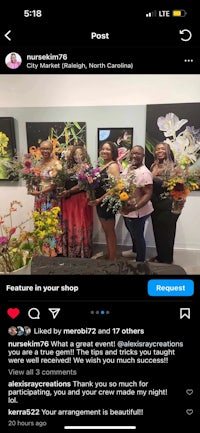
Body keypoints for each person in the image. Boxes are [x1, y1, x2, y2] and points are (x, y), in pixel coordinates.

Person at [149, 142, 182, 264]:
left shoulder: (175, 167)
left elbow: (182, 188)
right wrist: (154, 172)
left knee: (167, 234)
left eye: (163, 148)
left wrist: (178, 207)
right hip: (155, 205)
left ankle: (167, 261)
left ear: (168, 151)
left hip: (169, 206)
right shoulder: (153, 166)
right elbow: (148, 182)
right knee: (157, 232)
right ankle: (160, 257)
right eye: (157, 149)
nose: (159, 151)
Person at [121, 146, 153, 262]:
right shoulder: (129, 168)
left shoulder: (145, 173)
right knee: (133, 233)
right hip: (127, 209)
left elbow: (147, 194)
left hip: (138, 211)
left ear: (143, 156)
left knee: (138, 236)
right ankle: (135, 252)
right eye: (133, 153)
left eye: (138, 154)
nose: (135, 156)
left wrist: (134, 207)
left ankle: (140, 261)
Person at [30, 140, 63, 256]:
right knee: (41, 222)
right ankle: (42, 249)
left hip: (51, 198)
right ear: (39, 149)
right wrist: (31, 185)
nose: (45, 151)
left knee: (52, 223)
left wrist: (40, 192)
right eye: (42, 148)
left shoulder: (56, 164)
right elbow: (35, 180)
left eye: (47, 148)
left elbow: (55, 184)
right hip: (39, 199)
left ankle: (53, 249)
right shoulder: (37, 163)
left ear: (52, 150)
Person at [88, 141, 120, 260]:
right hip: (100, 203)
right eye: (103, 149)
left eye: (108, 149)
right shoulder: (102, 165)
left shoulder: (113, 166)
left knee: (110, 232)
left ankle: (113, 259)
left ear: (113, 152)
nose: (104, 151)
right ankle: (110, 254)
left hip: (107, 203)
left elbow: (115, 187)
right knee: (106, 231)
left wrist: (99, 199)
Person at [60, 145, 93, 258]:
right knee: (69, 223)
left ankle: (81, 251)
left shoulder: (87, 168)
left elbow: (82, 185)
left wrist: (68, 191)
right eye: (75, 154)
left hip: (80, 199)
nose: (77, 156)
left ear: (84, 155)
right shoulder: (68, 167)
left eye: (80, 154)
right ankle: (70, 250)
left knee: (80, 223)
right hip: (67, 200)